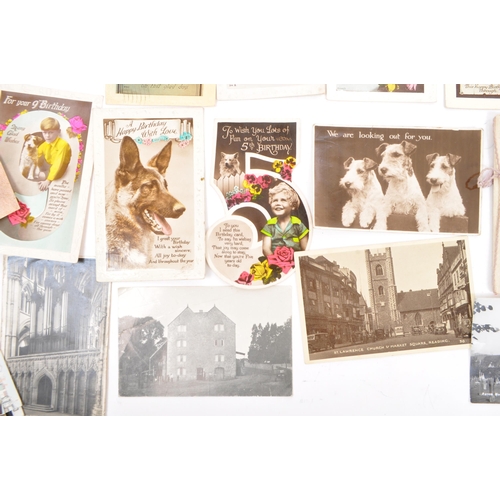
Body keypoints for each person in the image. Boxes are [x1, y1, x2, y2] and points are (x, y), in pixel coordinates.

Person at [261, 182, 309, 256]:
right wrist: (275, 261)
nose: (278, 203)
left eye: (283, 200)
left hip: (294, 261)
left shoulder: (298, 225)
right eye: (275, 200)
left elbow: (305, 248)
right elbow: (266, 249)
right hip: (274, 261)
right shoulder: (269, 226)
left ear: (293, 205)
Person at [37, 117, 72, 191]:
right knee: (34, 173)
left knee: (40, 175)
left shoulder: (63, 144)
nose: (47, 136)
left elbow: (58, 163)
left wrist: (48, 180)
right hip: (49, 166)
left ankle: (45, 184)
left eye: (51, 132)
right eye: (44, 132)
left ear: (58, 131)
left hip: (61, 168)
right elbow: (36, 158)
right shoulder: (43, 145)